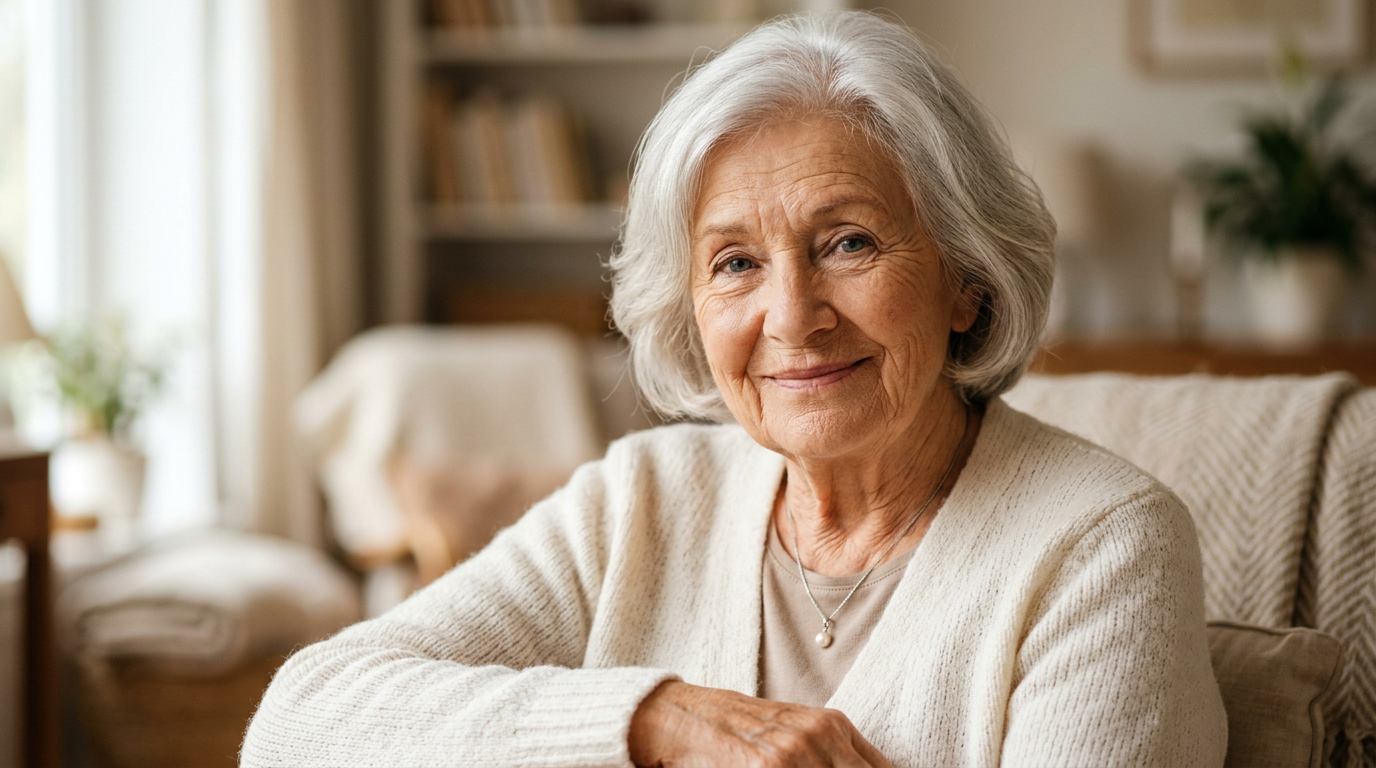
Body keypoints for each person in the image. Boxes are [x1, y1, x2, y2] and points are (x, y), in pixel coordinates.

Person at [241, 12, 1227, 767]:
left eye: (846, 243)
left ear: (964, 278)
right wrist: (656, 719)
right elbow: (297, 723)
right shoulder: (642, 499)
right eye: (734, 264)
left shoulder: (1102, 544)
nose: (791, 317)